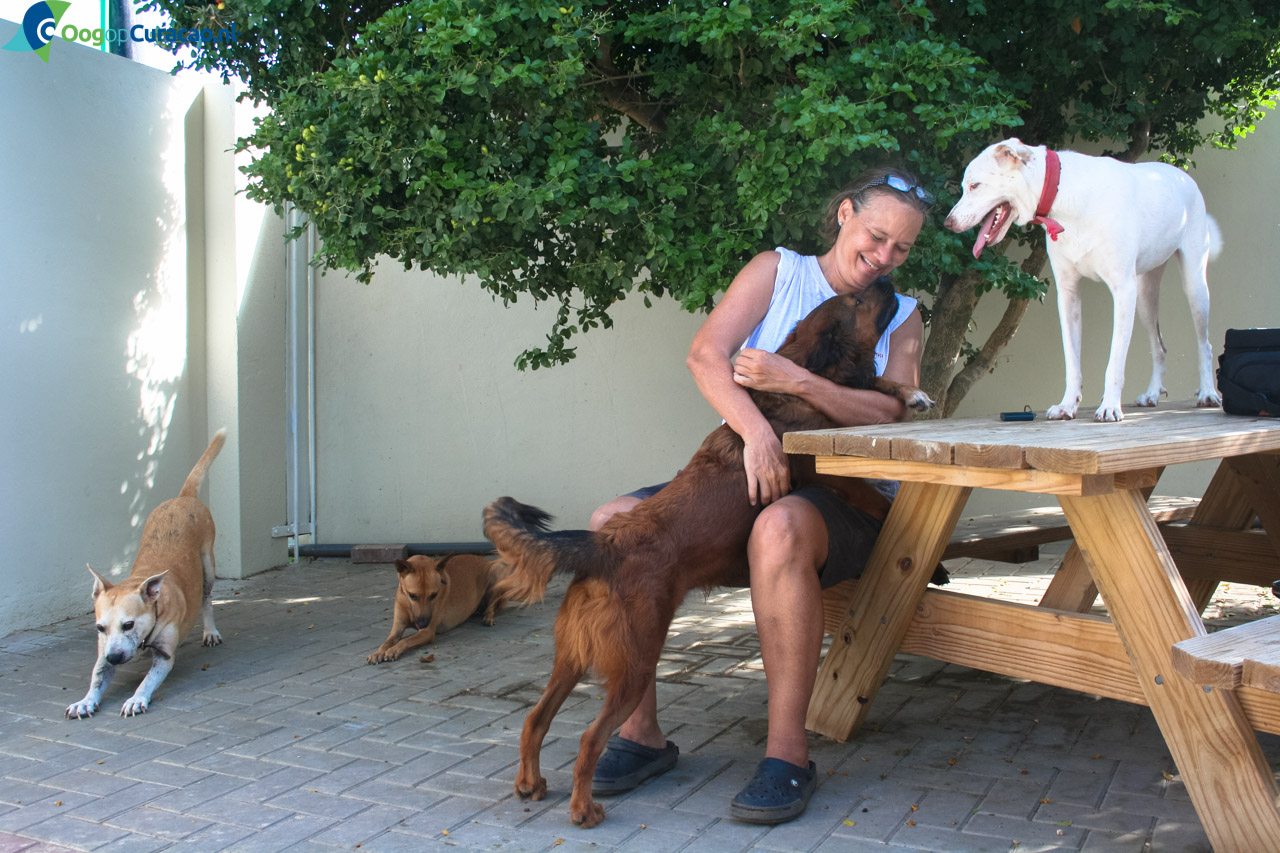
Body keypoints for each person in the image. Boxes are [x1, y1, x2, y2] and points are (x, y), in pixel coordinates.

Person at [586, 166, 934, 824]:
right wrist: (756, 434)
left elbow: (890, 413)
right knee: (613, 521)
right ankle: (641, 731)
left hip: (846, 499)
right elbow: (705, 355)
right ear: (845, 214)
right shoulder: (777, 272)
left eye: (902, 247)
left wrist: (793, 379)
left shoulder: (904, 315)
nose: (885, 255)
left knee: (778, 529)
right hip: (746, 479)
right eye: (877, 234)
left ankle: (786, 755)